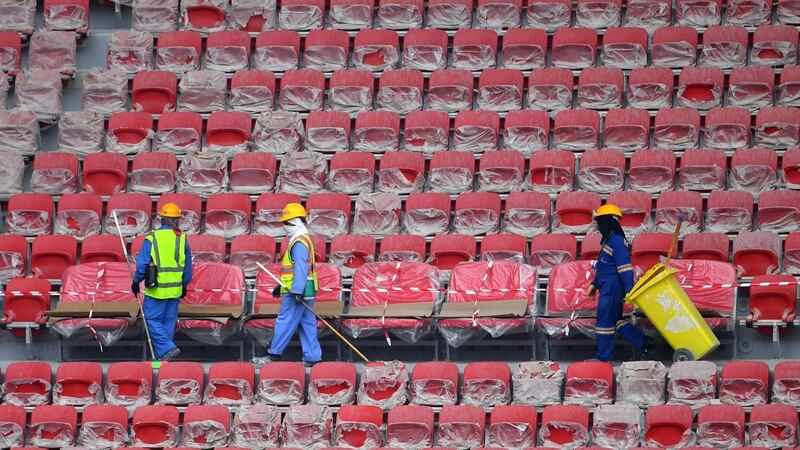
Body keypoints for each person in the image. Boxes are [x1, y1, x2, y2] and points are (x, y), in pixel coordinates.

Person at [252, 202, 322, 368]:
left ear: (295, 222)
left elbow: (300, 268)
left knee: (284, 321)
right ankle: (312, 356)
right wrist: (281, 286)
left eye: (286, 223)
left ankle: (274, 354)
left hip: (297, 291)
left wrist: (296, 290)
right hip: (307, 289)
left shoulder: (298, 242)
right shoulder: (304, 239)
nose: (284, 226)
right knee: (307, 323)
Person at [586, 204, 654, 362]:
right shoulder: (609, 241)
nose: (597, 225)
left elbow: (624, 268)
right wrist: (594, 285)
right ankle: (644, 343)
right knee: (616, 320)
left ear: (607, 222)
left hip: (612, 289)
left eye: (599, 221)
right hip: (607, 286)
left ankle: (603, 357)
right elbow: (604, 267)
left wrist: (629, 288)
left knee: (604, 322)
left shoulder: (617, 242)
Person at [131, 202, 192, 362]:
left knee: (151, 319)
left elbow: (143, 264)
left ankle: (167, 348)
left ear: (162, 219)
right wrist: (184, 284)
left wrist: (136, 281)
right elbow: (187, 266)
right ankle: (164, 356)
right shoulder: (182, 238)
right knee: (168, 322)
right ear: (177, 220)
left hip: (157, 289)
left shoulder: (152, 237)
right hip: (175, 290)